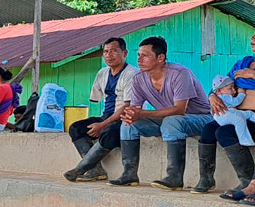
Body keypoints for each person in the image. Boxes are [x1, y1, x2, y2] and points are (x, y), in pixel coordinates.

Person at [108, 37, 213, 190]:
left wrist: (142, 113)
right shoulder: (138, 78)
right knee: (128, 124)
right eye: (138, 55)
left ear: (160, 58)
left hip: (201, 119)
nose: (139, 59)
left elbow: (179, 109)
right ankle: (129, 174)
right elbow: (136, 108)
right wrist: (130, 114)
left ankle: (174, 177)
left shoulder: (179, 73)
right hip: (169, 120)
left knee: (173, 121)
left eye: (145, 55)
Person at [63, 37, 138, 182]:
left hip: (126, 118)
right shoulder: (102, 73)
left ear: (125, 53)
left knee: (110, 131)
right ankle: (95, 169)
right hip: (107, 116)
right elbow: (98, 98)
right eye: (106, 52)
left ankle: (81, 168)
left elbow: (128, 106)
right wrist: (102, 122)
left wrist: (103, 125)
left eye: (114, 51)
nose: (109, 55)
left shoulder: (132, 74)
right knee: (76, 128)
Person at [208, 33, 255, 197]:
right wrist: (212, 96)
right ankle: (246, 181)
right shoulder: (243, 64)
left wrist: (253, 75)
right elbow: (222, 83)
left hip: (250, 115)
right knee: (219, 131)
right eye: (252, 41)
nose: (253, 43)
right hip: (240, 112)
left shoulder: (249, 71)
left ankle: (252, 187)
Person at [209, 76, 253, 144]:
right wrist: (242, 94)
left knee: (248, 114)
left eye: (234, 87)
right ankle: (244, 140)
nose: (234, 90)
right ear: (219, 91)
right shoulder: (225, 96)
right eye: (230, 88)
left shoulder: (221, 94)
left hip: (227, 114)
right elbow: (235, 102)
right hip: (225, 114)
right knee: (239, 120)